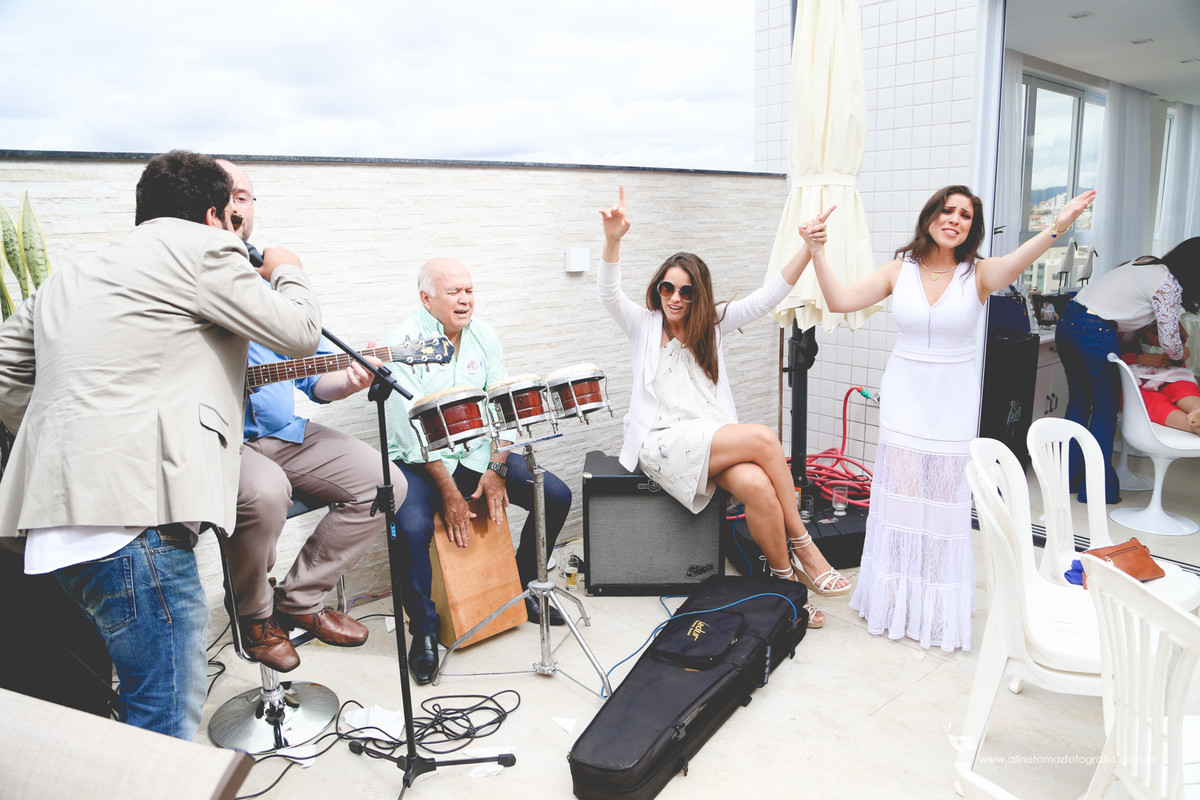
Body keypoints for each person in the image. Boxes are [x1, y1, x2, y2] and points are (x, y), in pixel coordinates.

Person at [0, 150, 322, 738]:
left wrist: (65, 440)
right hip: (132, 526)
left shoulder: (70, 275)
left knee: (137, 706)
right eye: (230, 213)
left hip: (55, 530)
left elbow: (5, 365)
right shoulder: (205, 248)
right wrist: (288, 270)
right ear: (213, 215)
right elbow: (300, 333)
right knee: (164, 722)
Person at [801, 184, 1096, 651]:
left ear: (971, 228)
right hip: (904, 398)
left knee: (941, 505)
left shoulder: (979, 273)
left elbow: (1018, 260)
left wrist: (1059, 225)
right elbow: (838, 300)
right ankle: (892, 601)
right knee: (900, 501)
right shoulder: (899, 270)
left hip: (952, 403)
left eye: (964, 215)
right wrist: (817, 251)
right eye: (947, 210)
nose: (954, 219)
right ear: (930, 217)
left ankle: (933, 610)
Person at [598, 186, 847, 629]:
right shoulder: (642, 324)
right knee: (764, 438)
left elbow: (768, 296)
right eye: (667, 288)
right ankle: (805, 546)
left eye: (686, 291)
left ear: (699, 295)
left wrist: (809, 250)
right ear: (658, 289)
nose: (675, 298)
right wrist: (613, 240)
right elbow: (609, 293)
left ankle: (786, 587)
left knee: (757, 485)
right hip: (662, 443)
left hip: (709, 438)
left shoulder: (711, 324)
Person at [214, 160, 408, 673]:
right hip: (222, 443)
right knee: (266, 491)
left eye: (245, 196)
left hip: (284, 434)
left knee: (385, 482)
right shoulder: (195, 283)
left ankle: (298, 600)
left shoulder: (275, 292)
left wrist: (350, 381)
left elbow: (314, 379)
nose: (238, 205)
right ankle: (255, 617)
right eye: (228, 195)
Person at [384, 257, 573, 684]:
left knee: (555, 494)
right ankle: (424, 632)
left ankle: (525, 587)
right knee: (410, 528)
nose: (465, 300)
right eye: (454, 292)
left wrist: (496, 467)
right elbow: (410, 431)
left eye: (469, 290)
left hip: (476, 455)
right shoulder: (402, 345)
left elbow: (504, 407)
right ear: (426, 298)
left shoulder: (483, 336)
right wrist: (449, 494)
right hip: (420, 464)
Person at [1056, 236, 1200, 502]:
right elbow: (1171, 343)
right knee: (1104, 409)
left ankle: (1068, 480)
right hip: (1096, 330)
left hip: (1068, 320)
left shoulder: (1146, 265)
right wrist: (1182, 354)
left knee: (1079, 403)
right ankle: (1096, 490)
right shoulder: (1168, 284)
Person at [1120, 322, 1200, 433]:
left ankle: (1196, 408)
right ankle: (1192, 426)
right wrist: (1139, 359)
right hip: (1140, 381)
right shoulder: (1131, 342)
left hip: (1169, 375)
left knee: (1183, 387)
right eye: (1156, 334)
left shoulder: (1172, 344)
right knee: (1151, 401)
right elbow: (1112, 358)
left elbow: (1182, 339)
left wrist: (1180, 354)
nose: (1162, 337)